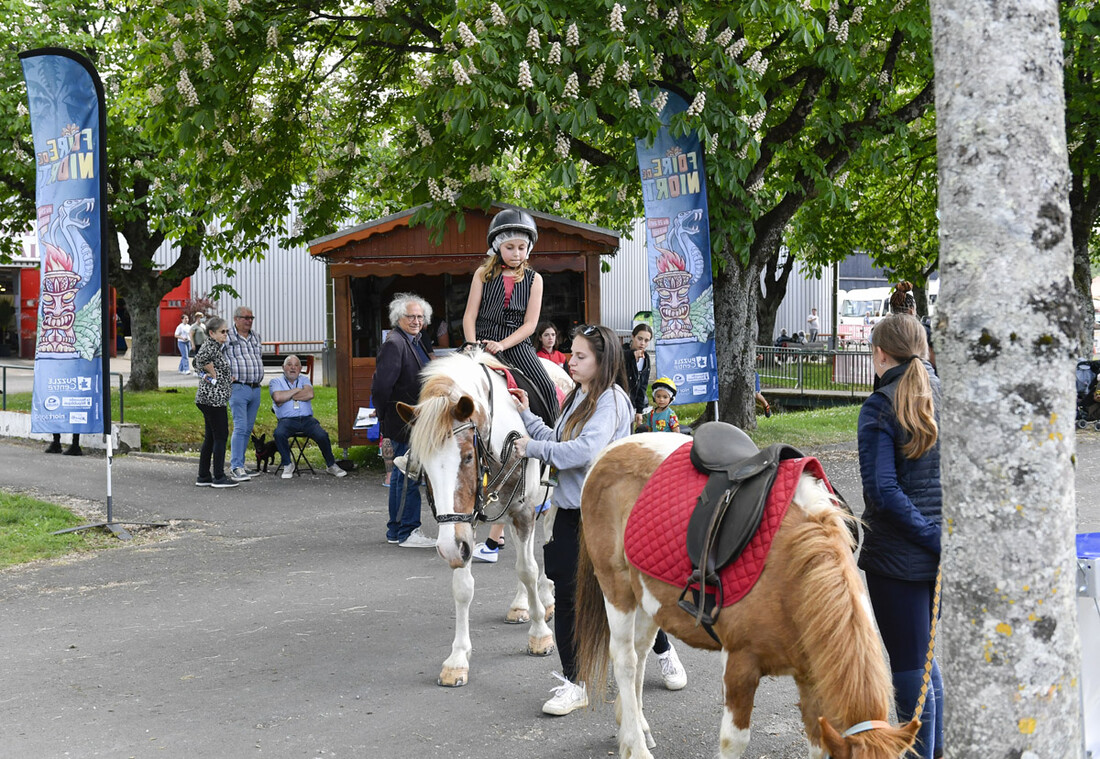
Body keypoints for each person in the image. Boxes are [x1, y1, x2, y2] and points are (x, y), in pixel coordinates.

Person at [510, 324, 677, 715]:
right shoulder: (578, 396)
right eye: (572, 354)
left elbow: (584, 451)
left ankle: (665, 650)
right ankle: (575, 681)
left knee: (627, 596)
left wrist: (531, 447)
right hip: (570, 512)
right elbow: (558, 437)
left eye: (580, 356)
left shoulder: (613, 400)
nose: (571, 361)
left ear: (602, 362)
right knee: (567, 597)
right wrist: (526, 414)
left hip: (604, 516)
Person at [857, 314, 943, 759]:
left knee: (911, 668)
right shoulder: (945, 393)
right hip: (939, 555)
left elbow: (883, 492)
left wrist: (931, 537)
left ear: (880, 354)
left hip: (900, 559)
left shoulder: (879, 406)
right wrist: (942, 539)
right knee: (927, 666)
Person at [464, 208, 558, 563]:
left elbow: (532, 324)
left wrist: (503, 346)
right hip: (480, 342)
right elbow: (469, 315)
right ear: (497, 247)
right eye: (510, 247)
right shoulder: (481, 274)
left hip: (515, 344)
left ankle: (552, 449)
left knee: (546, 389)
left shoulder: (534, 280)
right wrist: (473, 345)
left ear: (528, 249)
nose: (516, 253)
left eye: (522, 247)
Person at [374, 293, 437, 548]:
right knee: (407, 475)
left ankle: (396, 530)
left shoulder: (416, 341)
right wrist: (384, 417)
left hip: (412, 419)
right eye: (410, 316)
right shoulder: (396, 343)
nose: (416, 320)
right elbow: (381, 387)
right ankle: (406, 532)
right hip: (402, 419)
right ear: (398, 318)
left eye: (420, 317)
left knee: (405, 474)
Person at [269, 355, 347, 480]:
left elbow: (310, 394)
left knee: (322, 435)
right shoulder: (276, 382)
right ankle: (288, 464)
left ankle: (331, 465)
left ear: (300, 368)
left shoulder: (304, 379)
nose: (293, 368)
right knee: (279, 433)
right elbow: (277, 398)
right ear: (283, 367)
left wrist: (287, 396)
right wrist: (297, 390)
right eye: (289, 365)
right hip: (286, 421)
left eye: (296, 365)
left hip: (307, 420)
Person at [193, 317, 238, 488]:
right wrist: (211, 372)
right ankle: (219, 476)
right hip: (213, 400)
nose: (226, 335)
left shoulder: (215, 347)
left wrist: (225, 378)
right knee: (220, 436)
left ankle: (204, 475)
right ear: (212, 333)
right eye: (222, 332)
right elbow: (198, 361)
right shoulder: (210, 346)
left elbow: (201, 362)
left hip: (211, 398)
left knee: (211, 438)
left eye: (226, 331)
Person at [224, 306, 264, 482]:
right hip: (238, 387)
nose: (249, 321)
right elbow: (213, 358)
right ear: (236, 319)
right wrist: (224, 376)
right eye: (245, 318)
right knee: (240, 427)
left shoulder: (255, 336)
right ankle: (235, 467)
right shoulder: (227, 336)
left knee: (248, 428)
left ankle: (241, 463)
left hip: (255, 388)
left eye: (251, 318)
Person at [622, 323, 653, 430]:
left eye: (646, 340)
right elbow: (614, 359)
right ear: (632, 337)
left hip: (632, 405)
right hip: (617, 403)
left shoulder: (646, 358)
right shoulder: (621, 352)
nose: (642, 343)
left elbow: (643, 385)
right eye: (639, 339)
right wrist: (632, 355)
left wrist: (639, 410)